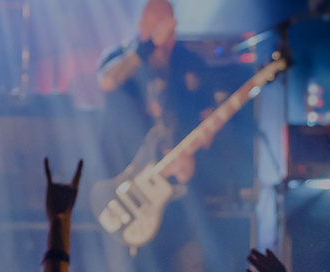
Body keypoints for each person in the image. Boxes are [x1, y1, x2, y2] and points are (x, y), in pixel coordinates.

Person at [94, 0, 254, 270]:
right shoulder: (122, 57)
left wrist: (194, 155)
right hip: (126, 188)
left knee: (190, 256)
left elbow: (207, 123)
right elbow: (107, 81)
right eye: (158, 27)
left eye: (169, 27)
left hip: (178, 193)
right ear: (142, 26)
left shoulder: (190, 63)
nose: (166, 36)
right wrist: (146, 49)